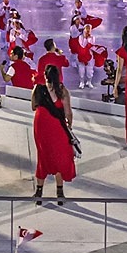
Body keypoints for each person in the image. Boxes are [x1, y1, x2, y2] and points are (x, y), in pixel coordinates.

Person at [30, 64, 75, 205]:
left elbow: (33, 106)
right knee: (60, 156)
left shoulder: (38, 89)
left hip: (41, 126)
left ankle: (39, 191)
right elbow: (68, 113)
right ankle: (59, 192)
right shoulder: (62, 91)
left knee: (43, 156)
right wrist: (69, 126)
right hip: (57, 127)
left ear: (45, 76)